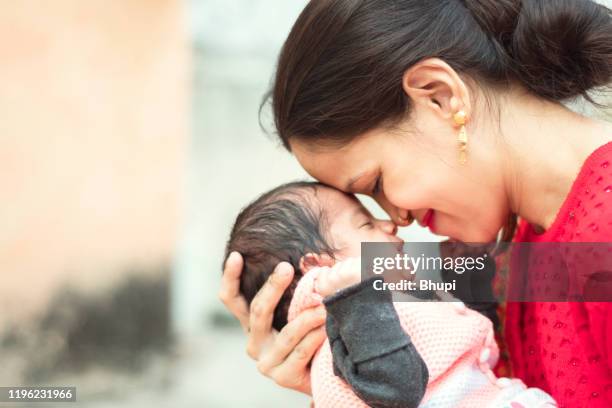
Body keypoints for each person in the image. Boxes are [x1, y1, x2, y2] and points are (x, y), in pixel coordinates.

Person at [219, 0, 612, 406]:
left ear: (439, 96)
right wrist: (326, 349)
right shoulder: (524, 249)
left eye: (377, 183)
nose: (396, 218)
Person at [224, 181, 556, 407]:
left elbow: (465, 320)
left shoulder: (388, 304)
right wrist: (354, 296)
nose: (389, 224)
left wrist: (470, 260)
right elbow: (397, 389)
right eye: (366, 224)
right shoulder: (351, 332)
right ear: (320, 267)